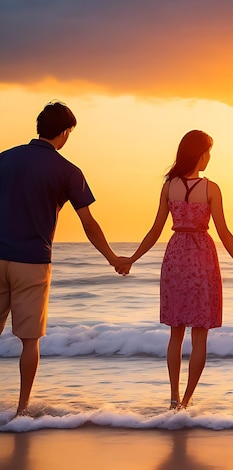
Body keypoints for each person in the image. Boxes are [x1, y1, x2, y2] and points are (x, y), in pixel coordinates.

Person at [0, 101, 125, 417]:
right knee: (30, 342)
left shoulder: (4, 159)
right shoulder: (67, 170)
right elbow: (88, 222)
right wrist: (112, 257)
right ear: (66, 131)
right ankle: (22, 410)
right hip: (33, 261)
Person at [119, 130, 233, 410]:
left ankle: (173, 397)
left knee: (175, 332)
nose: (210, 157)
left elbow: (155, 230)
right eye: (208, 151)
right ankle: (188, 401)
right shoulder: (211, 188)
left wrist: (132, 258)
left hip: (176, 254)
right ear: (199, 153)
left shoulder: (169, 186)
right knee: (200, 332)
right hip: (203, 255)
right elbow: (224, 232)